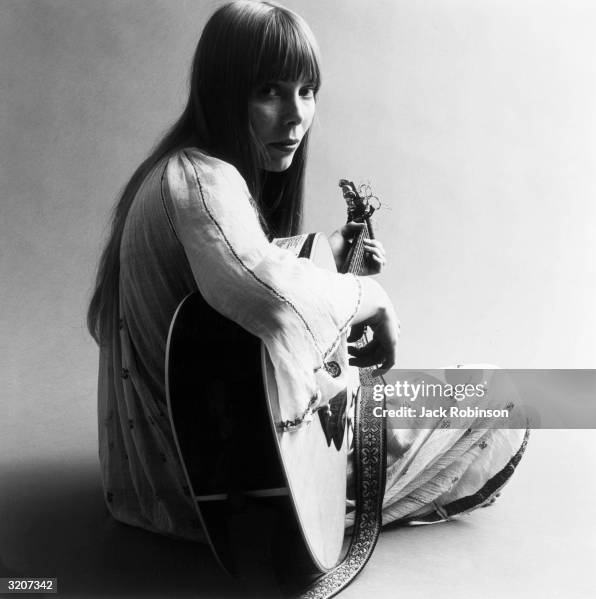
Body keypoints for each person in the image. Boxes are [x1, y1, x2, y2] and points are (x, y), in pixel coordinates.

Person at [88, 0, 527, 544]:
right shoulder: (202, 180)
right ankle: (344, 494)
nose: (295, 115)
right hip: (227, 488)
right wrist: (368, 295)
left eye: (307, 90)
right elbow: (266, 292)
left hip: (174, 476)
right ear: (223, 91)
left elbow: (232, 279)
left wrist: (329, 250)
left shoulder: (174, 170)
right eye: (268, 90)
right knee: (495, 391)